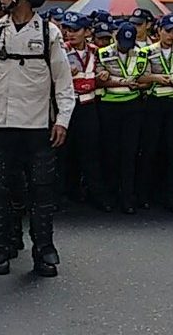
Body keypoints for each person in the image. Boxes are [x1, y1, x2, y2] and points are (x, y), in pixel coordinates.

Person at [0, 0, 75, 276]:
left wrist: (62, 120)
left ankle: (44, 250)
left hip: (38, 128)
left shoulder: (48, 33)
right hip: (0, 127)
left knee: (42, 191)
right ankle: (1, 246)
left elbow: (64, 85)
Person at [58, 12, 109, 211]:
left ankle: (95, 195)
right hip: (67, 106)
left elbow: (101, 70)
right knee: (62, 152)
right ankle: (60, 195)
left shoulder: (96, 51)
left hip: (89, 105)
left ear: (87, 32)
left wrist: (102, 73)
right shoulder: (61, 50)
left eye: (75, 30)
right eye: (68, 30)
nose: (70, 34)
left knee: (91, 152)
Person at [96, 22, 147, 214]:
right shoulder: (103, 53)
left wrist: (141, 85)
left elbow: (144, 76)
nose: (126, 47)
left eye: (129, 43)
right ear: (116, 38)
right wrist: (122, 82)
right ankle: (110, 195)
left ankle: (127, 197)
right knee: (110, 153)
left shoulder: (141, 53)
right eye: (123, 42)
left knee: (129, 153)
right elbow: (100, 79)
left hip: (132, 107)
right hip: (109, 106)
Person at [138, 14, 173, 212]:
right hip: (154, 102)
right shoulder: (147, 51)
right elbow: (140, 76)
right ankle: (144, 195)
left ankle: (169, 197)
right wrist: (157, 78)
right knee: (149, 150)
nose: (171, 35)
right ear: (159, 30)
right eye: (168, 31)